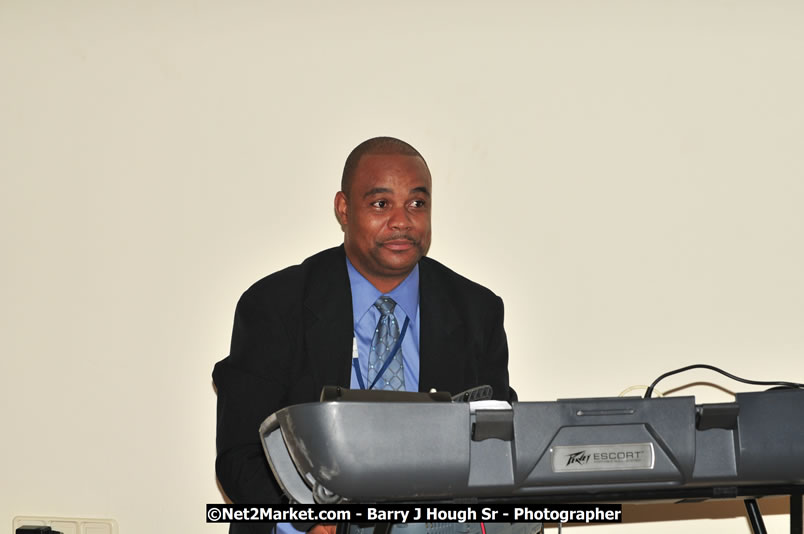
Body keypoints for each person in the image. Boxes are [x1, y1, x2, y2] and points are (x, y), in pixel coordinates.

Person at [213, 136, 516, 533]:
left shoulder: (476, 310)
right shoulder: (275, 305)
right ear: (343, 209)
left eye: (417, 204)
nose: (402, 221)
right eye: (380, 204)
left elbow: (498, 446)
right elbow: (241, 453)